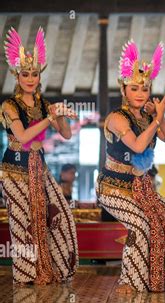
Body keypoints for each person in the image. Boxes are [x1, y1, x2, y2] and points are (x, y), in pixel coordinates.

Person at [96, 39, 165, 293]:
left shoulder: (150, 117)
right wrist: (156, 118)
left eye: (144, 89)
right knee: (141, 225)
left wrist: (160, 116)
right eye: (134, 88)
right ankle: (130, 281)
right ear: (124, 89)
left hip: (141, 187)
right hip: (113, 188)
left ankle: (164, 278)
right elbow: (137, 146)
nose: (140, 93)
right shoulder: (116, 118)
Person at [0, 27, 78, 285]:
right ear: (17, 75)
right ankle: (25, 276)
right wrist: (49, 118)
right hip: (14, 171)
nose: (30, 78)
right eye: (25, 74)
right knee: (22, 225)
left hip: (39, 169)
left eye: (34, 73)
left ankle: (56, 267)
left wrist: (62, 114)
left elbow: (65, 134)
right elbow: (22, 138)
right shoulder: (10, 105)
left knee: (61, 215)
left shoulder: (46, 104)